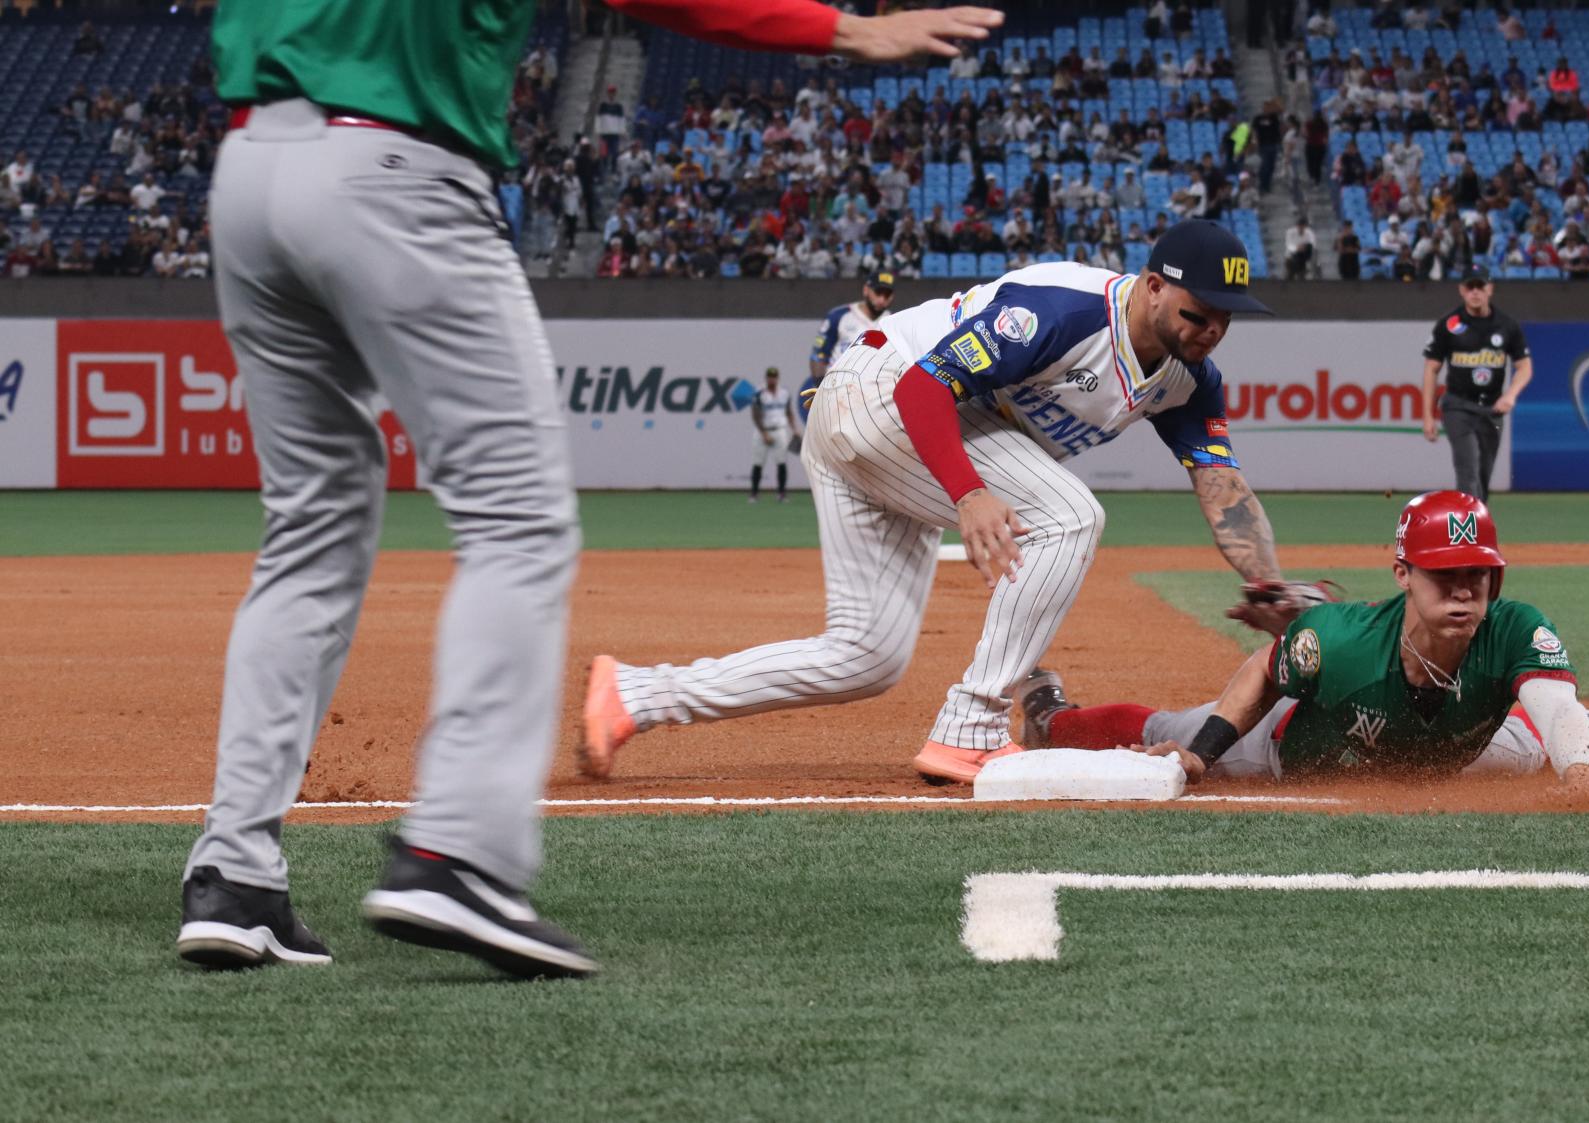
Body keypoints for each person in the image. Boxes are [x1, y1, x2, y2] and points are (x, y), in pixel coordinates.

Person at [175, 0, 1005, 979]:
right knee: (516, 521)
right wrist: (844, 29)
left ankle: (235, 875)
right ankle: (457, 851)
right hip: (396, 165)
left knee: (310, 528)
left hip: (248, 171)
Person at [582, 220, 1299, 786]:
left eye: (1226, 317)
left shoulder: (1189, 379)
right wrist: (969, 492)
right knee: (1071, 514)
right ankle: (973, 725)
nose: (1211, 328)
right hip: (881, 392)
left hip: (898, 433)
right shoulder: (1063, 311)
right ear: (1150, 287)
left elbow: (1221, 484)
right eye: (1199, 310)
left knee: (864, 656)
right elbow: (924, 388)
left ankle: (635, 696)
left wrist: (1262, 578)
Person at [1016, 491, 1589, 788]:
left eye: (1478, 576)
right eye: (1443, 575)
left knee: (1550, 733)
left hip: (1459, 749)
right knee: (1172, 732)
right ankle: (1052, 717)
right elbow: (1261, 668)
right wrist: (1202, 754)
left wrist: (1581, 773)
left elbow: (1549, 699)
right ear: (1404, 574)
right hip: (1297, 749)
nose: (1463, 590)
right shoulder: (1335, 645)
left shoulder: (1514, 624)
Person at [1419, 266, 1530, 502]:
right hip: (1458, 406)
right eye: (1470, 287)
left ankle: (1476, 525)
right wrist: (1427, 415)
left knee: (1482, 476)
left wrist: (1510, 395)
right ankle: (1468, 533)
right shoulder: (1449, 324)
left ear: (1490, 289)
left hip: (1492, 409)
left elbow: (1524, 367)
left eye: (1481, 286)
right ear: (1462, 290)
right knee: (1467, 470)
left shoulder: (1506, 325)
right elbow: (1431, 368)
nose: (1476, 292)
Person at [802, 270, 897, 438]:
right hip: (837, 391)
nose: (882, 299)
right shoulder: (840, 316)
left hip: (872, 397)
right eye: (878, 292)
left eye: (887, 294)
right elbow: (818, 355)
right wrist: (820, 388)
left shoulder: (895, 322)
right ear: (866, 290)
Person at [748, 366, 795, 502]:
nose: (772, 379)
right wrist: (764, 433)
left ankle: (781, 494)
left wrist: (794, 429)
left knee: (781, 462)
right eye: (769, 377)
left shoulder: (784, 393)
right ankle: (754, 494)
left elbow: (789, 412)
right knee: (758, 463)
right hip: (763, 431)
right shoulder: (759, 393)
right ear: (766, 378)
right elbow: (755, 415)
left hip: (779, 430)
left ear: (777, 378)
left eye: (774, 377)